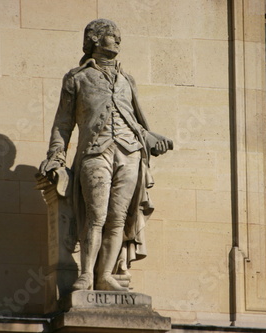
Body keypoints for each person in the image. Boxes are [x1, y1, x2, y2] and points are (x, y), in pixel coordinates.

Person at [39, 19, 172, 292]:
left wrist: (152, 138)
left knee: (118, 219)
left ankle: (105, 275)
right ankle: (87, 274)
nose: (118, 41)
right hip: (95, 151)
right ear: (95, 39)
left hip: (130, 153)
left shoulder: (127, 80)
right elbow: (63, 124)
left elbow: (134, 122)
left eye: (118, 36)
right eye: (112, 36)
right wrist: (56, 156)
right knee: (95, 216)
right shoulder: (77, 78)